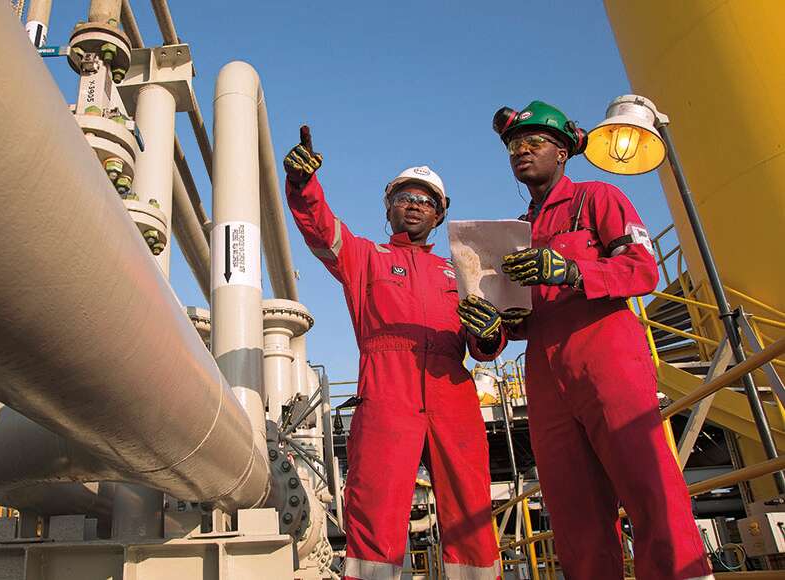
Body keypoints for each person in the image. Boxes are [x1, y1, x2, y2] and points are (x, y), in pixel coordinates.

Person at [458, 101, 712, 579]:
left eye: (534, 143)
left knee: (647, 486)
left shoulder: (598, 198)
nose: (521, 151)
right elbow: (517, 322)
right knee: (572, 510)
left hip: (606, 358)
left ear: (563, 153)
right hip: (546, 375)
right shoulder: (516, 233)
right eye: (514, 145)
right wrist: (488, 328)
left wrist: (573, 270)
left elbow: (642, 269)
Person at [285, 126, 502, 580]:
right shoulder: (367, 257)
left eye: (427, 200)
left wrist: (489, 335)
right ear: (389, 207)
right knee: (376, 506)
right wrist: (304, 186)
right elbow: (322, 230)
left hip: (452, 391)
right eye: (406, 196)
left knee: (471, 508)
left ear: (441, 215)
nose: (416, 204)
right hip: (387, 391)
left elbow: (485, 345)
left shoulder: (461, 271)